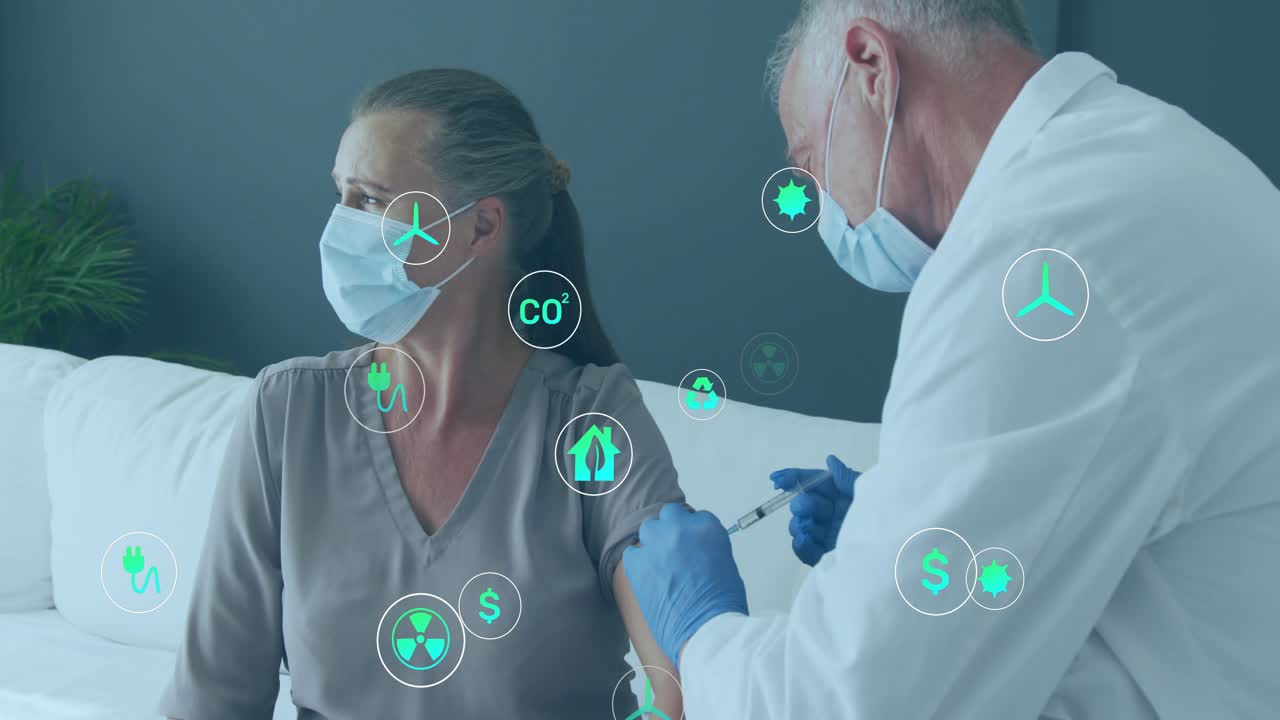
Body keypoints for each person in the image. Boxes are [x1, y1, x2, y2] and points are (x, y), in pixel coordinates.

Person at [623, 1, 1280, 717]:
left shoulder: (1031, 257)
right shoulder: (1146, 157)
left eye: (810, 163)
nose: (826, 212)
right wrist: (904, 525)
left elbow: (844, 705)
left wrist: (698, 625)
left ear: (871, 66)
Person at [160, 68, 683, 719]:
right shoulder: (289, 410)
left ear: (482, 228)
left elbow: (681, 681)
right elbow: (212, 696)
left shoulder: (592, 419)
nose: (338, 226)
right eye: (340, 195)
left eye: (373, 199)